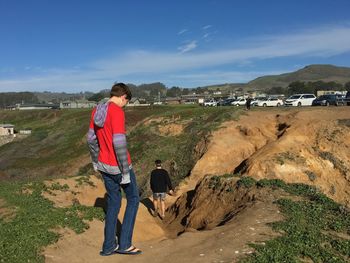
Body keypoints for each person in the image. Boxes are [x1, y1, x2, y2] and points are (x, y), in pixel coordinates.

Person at [87, 83, 141, 256]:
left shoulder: (96, 110)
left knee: (113, 204)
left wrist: (95, 161)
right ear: (123, 96)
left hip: (103, 165)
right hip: (118, 167)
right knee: (133, 198)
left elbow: (90, 139)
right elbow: (119, 143)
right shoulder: (117, 111)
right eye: (127, 101)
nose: (125, 104)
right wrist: (125, 171)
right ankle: (125, 244)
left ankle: (108, 246)